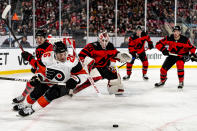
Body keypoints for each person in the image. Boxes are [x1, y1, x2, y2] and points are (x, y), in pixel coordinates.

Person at [14, 41, 87, 116]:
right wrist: (37, 77)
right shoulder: (46, 57)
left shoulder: (73, 61)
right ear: (54, 53)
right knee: (37, 91)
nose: (63, 57)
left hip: (64, 84)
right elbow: (41, 71)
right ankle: (25, 104)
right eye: (60, 55)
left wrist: (75, 79)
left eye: (65, 53)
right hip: (48, 80)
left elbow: (83, 74)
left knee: (52, 93)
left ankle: (32, 109)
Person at [12, 29, 53, 104]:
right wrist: (33, 65)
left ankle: (28, 101)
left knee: (32, 83)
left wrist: (29, 58)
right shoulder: (40, 48)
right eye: (37, 38)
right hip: (43, 72)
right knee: (31, 83)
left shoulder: (48, 47)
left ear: (45, 38)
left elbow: (42, 64)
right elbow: (39, 64)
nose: (39, 40)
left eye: (41, 38)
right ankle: (24, 97)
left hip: (48, 74)